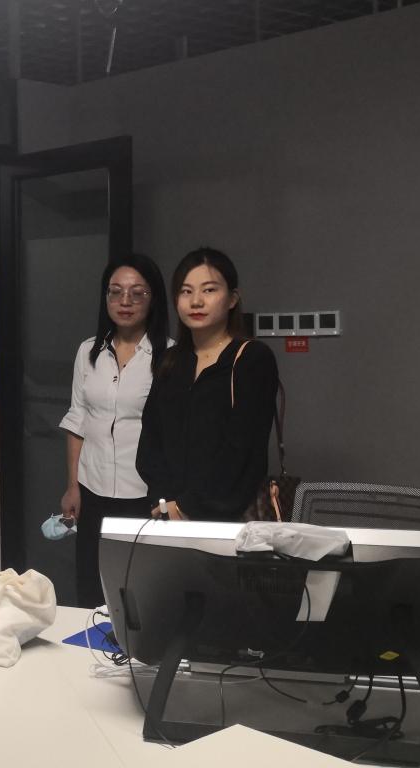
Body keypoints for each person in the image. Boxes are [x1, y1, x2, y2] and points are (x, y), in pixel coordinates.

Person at [58, 254, 170, 609]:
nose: (125, 301)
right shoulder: (88, 352)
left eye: (137, 293)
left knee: (141, 592)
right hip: (93, 491)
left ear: (153, 299)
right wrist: (73, 485)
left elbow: (175, 434)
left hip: (145, 496)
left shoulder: (170, 356)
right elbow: (78, 419)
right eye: (115, 291)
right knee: (92, 586)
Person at [136, 247, 278, 521]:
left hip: (229, 517)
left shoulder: (251, 359)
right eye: (186, 291)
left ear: (232, 298)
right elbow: (151, 441)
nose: (196, 301)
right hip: (168, 514)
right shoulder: (170, 361)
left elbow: (245, 450)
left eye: (209, 290)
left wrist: (188, 507)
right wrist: (165, 502)